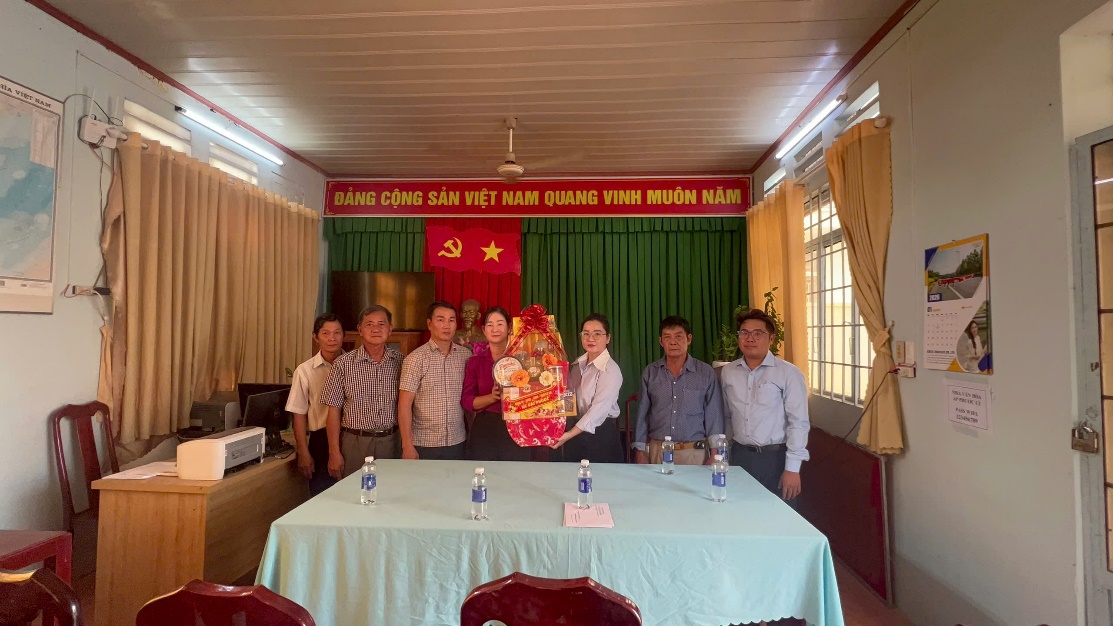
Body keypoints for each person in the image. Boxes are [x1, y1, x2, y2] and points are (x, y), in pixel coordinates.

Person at [721, 308, 810, 508]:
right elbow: (727, 417)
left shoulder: (789, 373)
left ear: (771, 338)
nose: (750, 338)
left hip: (775, 459)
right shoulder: (729, 372)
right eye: (744, 332)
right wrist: (724, 455)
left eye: (757, 333)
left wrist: (792, 469)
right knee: (739, 513)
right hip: (740, 456)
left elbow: (798, 423)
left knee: (778, 516)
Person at [320, 305, 402, 479]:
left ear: (390, 329)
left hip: (392, 441)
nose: (376, 329)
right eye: (369, 324)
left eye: (381, 324)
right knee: (355, 491)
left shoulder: (401, 362)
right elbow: (333, 411)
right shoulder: (343, 364)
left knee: (392, 489)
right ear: (360, 330)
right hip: (354, 443)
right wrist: (334, 452)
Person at [633, 316, 724, 465]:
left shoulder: (705, 373)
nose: (673, 342)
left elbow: (714, 415)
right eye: (667, 337)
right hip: (658, 451)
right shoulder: (650, 372)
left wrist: (715, 453)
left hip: (694, 453)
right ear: (661, 341)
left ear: (689, 339)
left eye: (678, 336)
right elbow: (642, 414)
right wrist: (640, 451)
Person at [399, 301, 472, 460]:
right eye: (440, 320)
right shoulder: (415, 359)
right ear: (429, 324)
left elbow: (469, 400)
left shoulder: (466, 356)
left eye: (451, 320)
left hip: (457, 440)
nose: (447, 325)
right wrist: (407, 445)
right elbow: (404, 404)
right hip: (424, 443)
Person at [550, 313, 625, 463]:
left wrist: (568, 435)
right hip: (576, 434)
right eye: (586, 333)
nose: (591, 338)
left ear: (608, 338)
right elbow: (567, 396)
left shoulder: (610, 370)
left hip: (600, 437)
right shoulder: (578, 364)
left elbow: (596, 413)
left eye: (597, 334)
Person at [285, 314, 345, 496]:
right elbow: (298, 413)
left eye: (337, 332)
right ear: (316, 337)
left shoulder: (354, 366)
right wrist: (303, 451)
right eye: (325, 333)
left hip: (351, 438)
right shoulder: (304, 371)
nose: (332, 338)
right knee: (324, 496)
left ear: (344, 335)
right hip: (321, 441)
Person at [461, 306, 531, 461]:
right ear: (484, 330)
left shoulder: (523, 360)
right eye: (490, 325)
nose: (495, 329)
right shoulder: (475, 362)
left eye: (500, 324)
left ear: (509, 328)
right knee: (484, 471)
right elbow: (467, 401)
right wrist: (492, 397)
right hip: (486, 428)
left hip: (518, 425)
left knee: (516, 472)